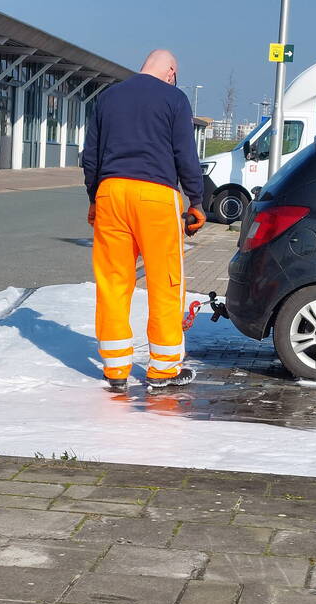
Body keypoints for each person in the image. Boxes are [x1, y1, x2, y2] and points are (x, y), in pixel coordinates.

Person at [82, 49, 206, 393]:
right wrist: (196, 200)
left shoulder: (108, 97)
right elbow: (185, 153)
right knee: (165, 282)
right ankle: (163, 370)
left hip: (111, 192)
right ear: (170, 71)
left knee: (113, 281)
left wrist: (95, 199)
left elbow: (90, 155)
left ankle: (116, 368)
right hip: (156, 196)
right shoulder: (174, 99)